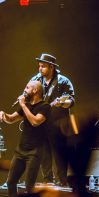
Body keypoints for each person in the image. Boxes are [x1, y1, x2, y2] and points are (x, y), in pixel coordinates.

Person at [0, 81, 50, 197]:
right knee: (11, 182)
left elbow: (35, 122)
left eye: (27, 87)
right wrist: (3, 114)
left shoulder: (45, 106)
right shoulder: (25, 105)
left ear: (35, 90)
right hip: (20, 150)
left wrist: (23, 105)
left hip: (35, 151)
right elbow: (11, 119)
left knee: (29, 186)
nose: (24, 90)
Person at [31, 53, 75, 186]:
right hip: (41, 123)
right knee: (44, 155)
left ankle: (62, 182)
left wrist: (62, 103)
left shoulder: (63, 81)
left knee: (60, 155)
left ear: (52, 67)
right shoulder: (36, 80)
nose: (40, 69)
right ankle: (48, 182)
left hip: (58, 124)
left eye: (43, 66)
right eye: (39, 66)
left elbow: (71, 101)